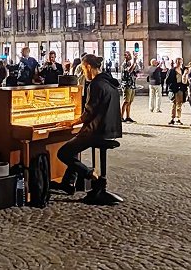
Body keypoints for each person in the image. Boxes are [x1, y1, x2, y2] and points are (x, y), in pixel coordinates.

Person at [53, 54, 122, 195]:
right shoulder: (110, 83)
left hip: (96, 131)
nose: (84, 73)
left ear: (89, 67)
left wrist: (72, 122)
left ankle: (91, 174)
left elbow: (89, 112)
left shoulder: (96, 84)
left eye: (84, 70)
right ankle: (68, 183)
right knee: (74, 146)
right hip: (111, 130)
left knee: (63, 152)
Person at [165, 58, 186, 125]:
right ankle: (172, 118)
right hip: (174, 89)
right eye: (177, 62)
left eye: (180, 62)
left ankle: (178, 118)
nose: (179, 63)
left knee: (179, 104)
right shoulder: (172, 70)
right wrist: (171, 85)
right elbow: (167, 80)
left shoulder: (183, 71)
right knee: (174, 104)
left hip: (181, 89)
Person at [120, 51, 138, 123]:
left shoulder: (130, 63)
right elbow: (129, 71)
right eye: (128, 55)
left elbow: (134, 72)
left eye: (130, 55)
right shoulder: (124, 64)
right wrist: (134, 61)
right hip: (127, 85)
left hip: (132, 84)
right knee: (126, 101)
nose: (129, 56)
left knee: (130, 102)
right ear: (125, 56)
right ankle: (121, 117)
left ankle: (128, 116)